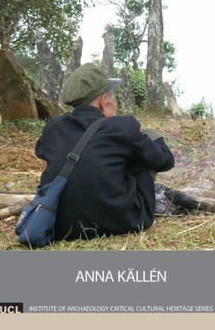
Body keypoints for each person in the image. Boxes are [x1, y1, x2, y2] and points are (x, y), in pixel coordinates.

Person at [35, 63, 174, 241]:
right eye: (113, 97)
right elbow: (165, 161)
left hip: (63, 227)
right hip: (124, 222)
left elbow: (41, 151)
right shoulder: (122, 128)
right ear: (103, 100)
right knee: (142, 150)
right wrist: (152, 137)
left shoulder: (53, 127)